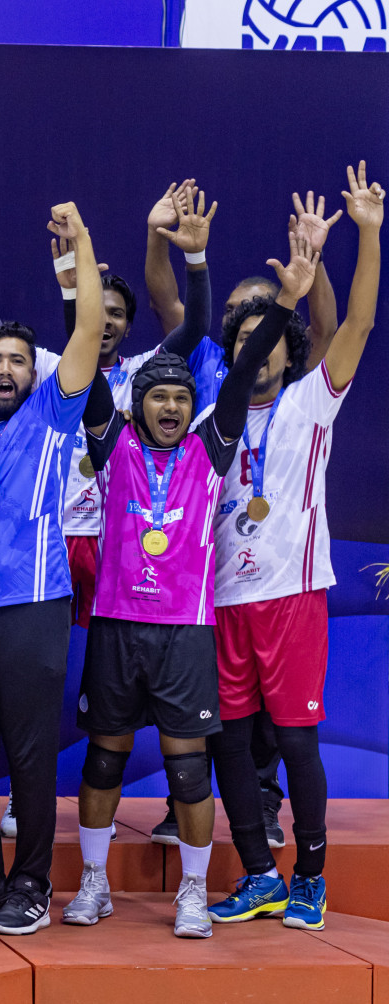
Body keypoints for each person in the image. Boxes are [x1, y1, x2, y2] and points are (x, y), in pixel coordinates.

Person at [61, 230, 321, 940]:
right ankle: (93, 886)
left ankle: (194, 894)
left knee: (186, 774)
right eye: (159, 398)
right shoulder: (111, 445)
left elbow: (236, 381)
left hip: (185, 634)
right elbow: (86, 354)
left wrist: (287, 303)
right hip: (116, 626)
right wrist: (70, 268)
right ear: (139, 406)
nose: (171, 407)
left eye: (181, 397)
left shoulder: (211, 449)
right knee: (105, 759)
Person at [205, 163, 382, 932]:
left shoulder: (313, 400)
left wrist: (368, 234)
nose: (257, 348)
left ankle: (308, 875)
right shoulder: (215, 418)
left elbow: (360, 326)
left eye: (267, 337)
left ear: (287, 348)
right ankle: (257, 874)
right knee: (229, 746)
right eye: (242, 339)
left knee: (298, 742)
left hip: (292, 598)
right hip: (223, 602)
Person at [0, 203, 105, 933]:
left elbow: (90, 332)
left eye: (17, 361)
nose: (5, 371)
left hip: (36, 605)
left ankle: (31, 884)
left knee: (34, 759)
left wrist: (82, 251)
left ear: (31, 373)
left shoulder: (50, 415)